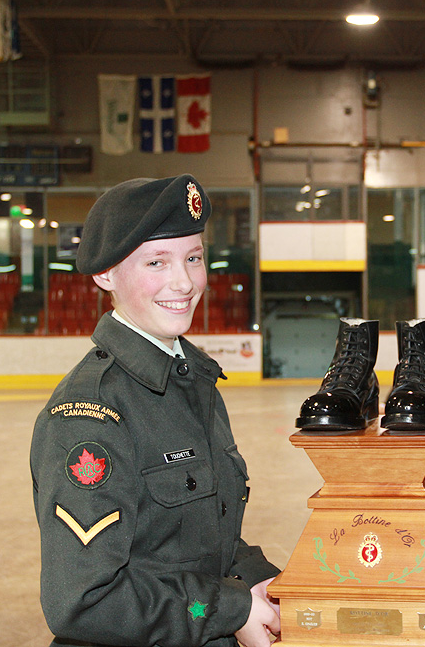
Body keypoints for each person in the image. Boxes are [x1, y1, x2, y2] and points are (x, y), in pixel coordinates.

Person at [30, 175, 281, 647]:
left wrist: (262, 581)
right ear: (105, 274)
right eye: (156, 262)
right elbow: (82, 599)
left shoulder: (192, 378)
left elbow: (199, 538)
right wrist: (231, 609)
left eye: (194, 257)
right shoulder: (91, 415)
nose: (184, 282)